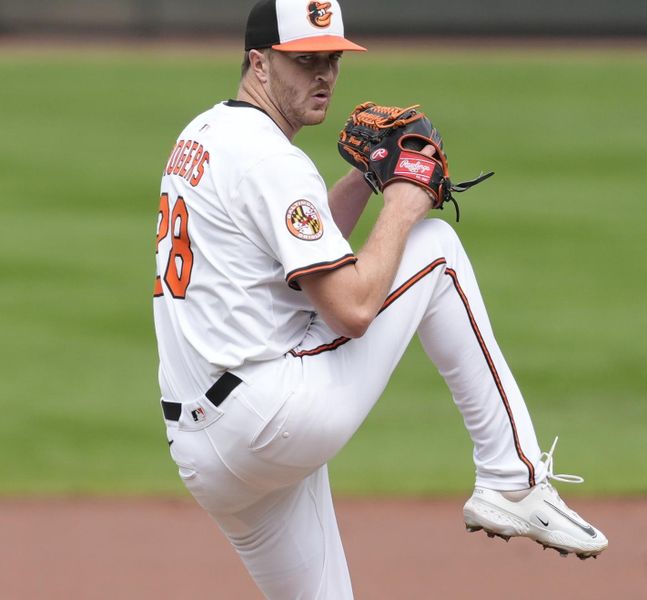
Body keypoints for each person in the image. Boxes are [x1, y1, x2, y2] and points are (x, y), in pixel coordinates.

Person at [152, 0, 608, 597]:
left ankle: (509, 479)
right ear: (259, 63)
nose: (324, 75)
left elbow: (308, 258)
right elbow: (353, 308)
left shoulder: (205, 133)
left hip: (203, 448)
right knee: (436, 245)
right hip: (266, 418)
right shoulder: (270, 159)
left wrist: (368, 177)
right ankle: (511, 478)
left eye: (333, 59)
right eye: (304, 60)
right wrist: (402, 200)